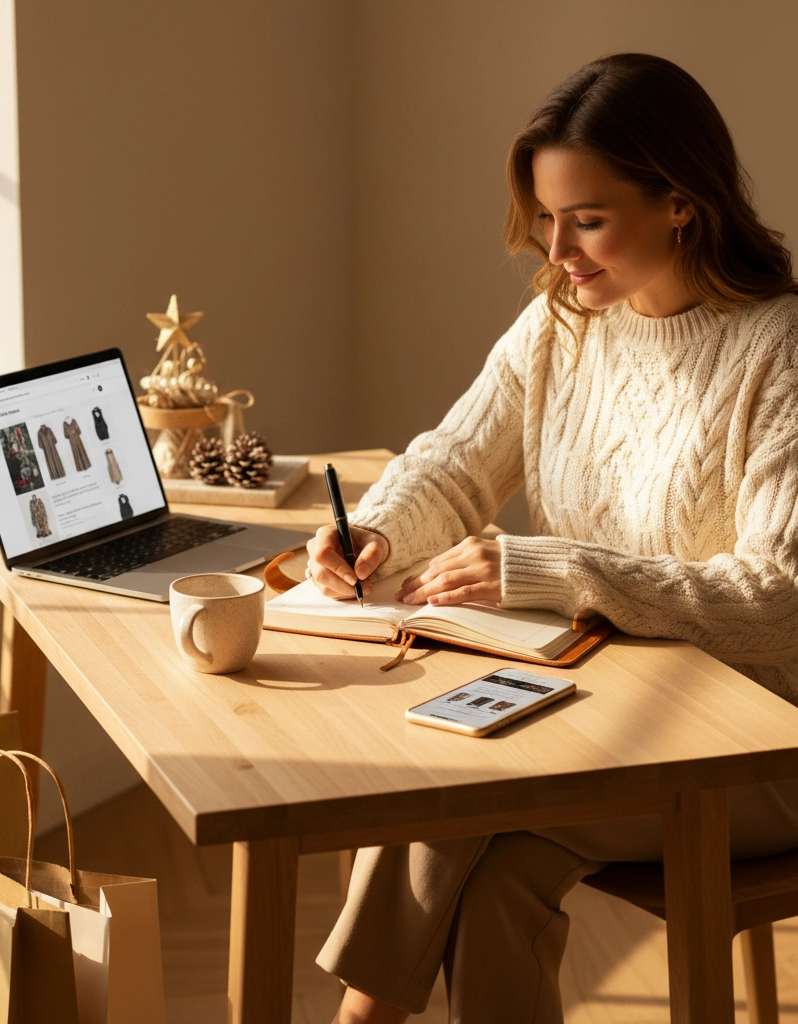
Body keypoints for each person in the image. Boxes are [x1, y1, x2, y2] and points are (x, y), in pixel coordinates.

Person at [305, 53, 798, 1024]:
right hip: (602, 709)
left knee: (454, 789)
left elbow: (780, 596)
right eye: (546, 218)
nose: (558, 250)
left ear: (681, 203)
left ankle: (363, 1017)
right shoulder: (561, 325)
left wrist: (555, 568)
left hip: (759, 745)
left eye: (588, 218)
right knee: (499, 879)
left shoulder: (777, 349)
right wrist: (371, 531)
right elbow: (455, 461)